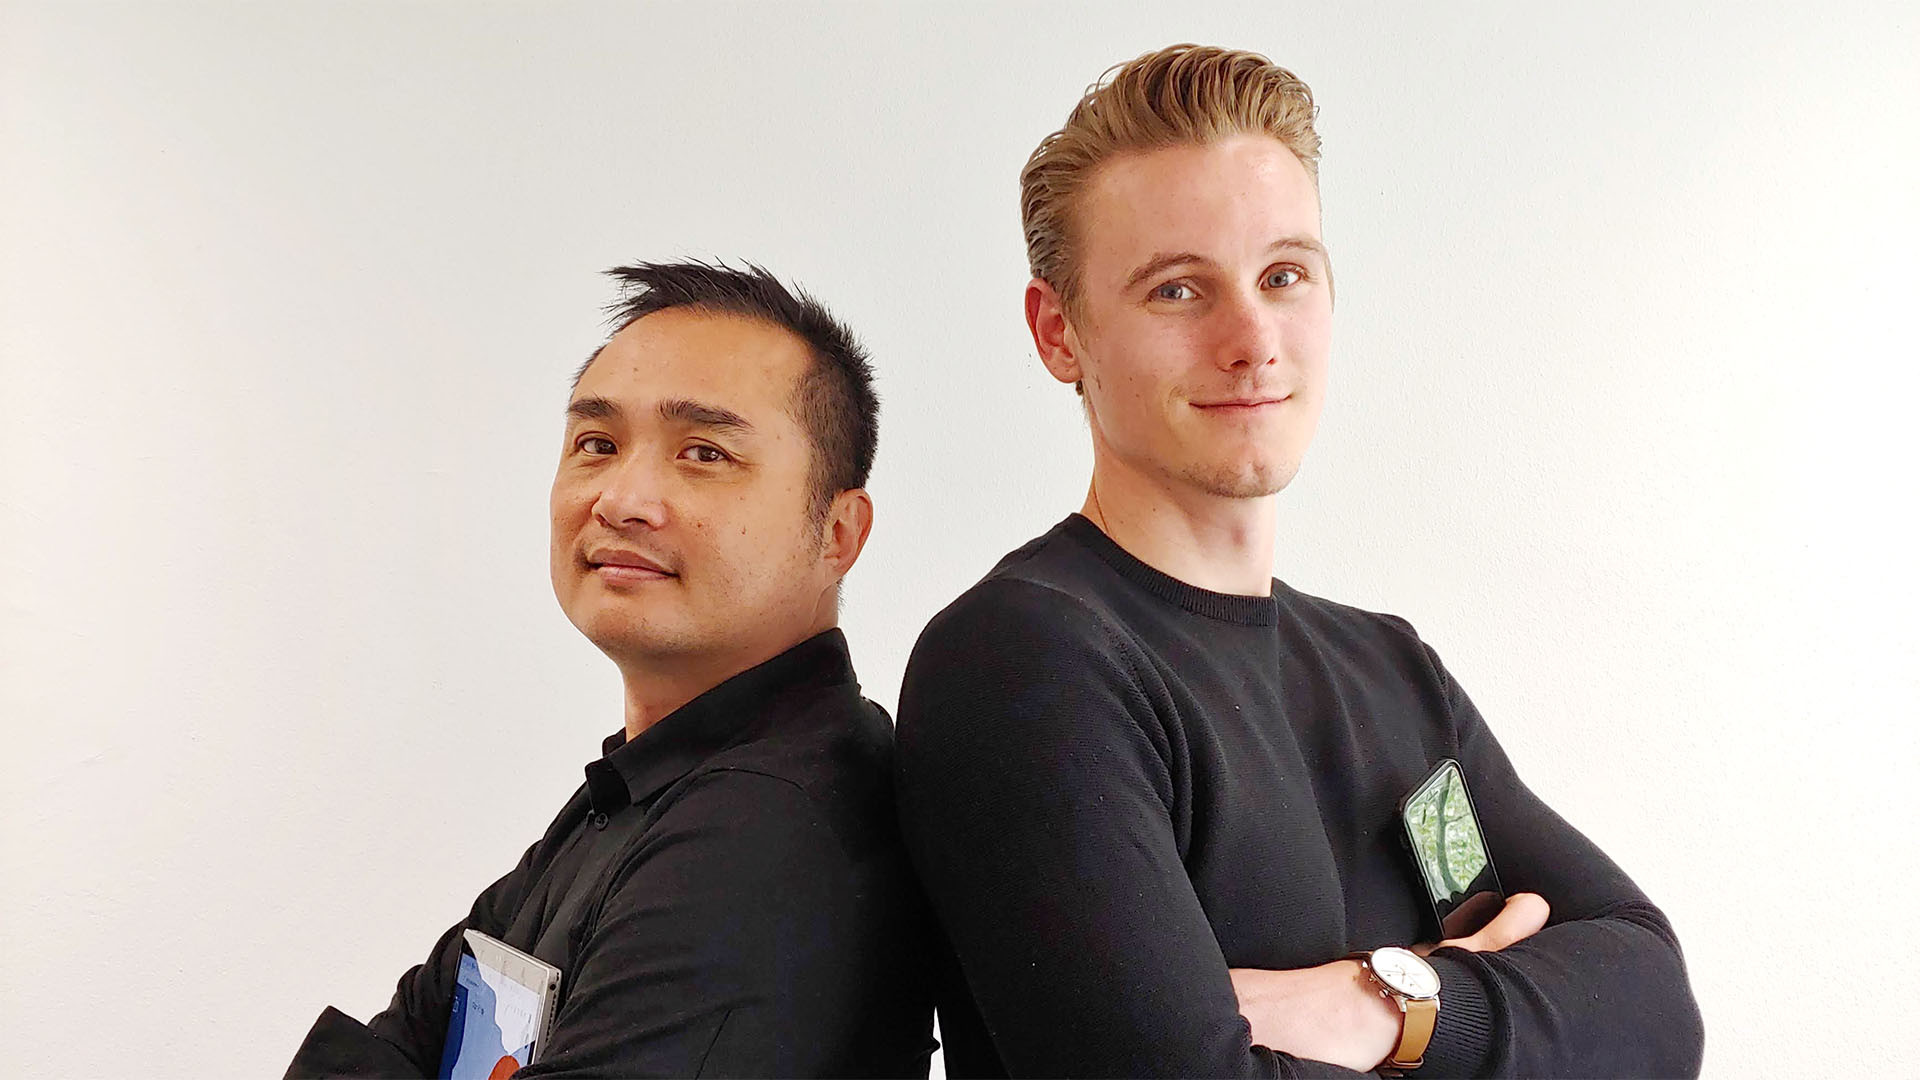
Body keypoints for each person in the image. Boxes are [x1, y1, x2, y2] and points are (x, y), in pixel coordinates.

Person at [894, 45, 1704, 1078]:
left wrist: (1382, 1007)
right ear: (1060, 334)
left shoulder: (1394, 674)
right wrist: (1498, 1024)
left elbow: (1654, 1012)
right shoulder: (1024, 661)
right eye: (1178, 290)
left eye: (1283, 276)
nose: (1252, 339)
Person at [287, 261, 935, 1078]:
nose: (623, 500)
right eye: (598, 444)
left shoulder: (763, 830)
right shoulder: (651, 784)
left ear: (838, 533)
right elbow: (393, 1043)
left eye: (704, 452)